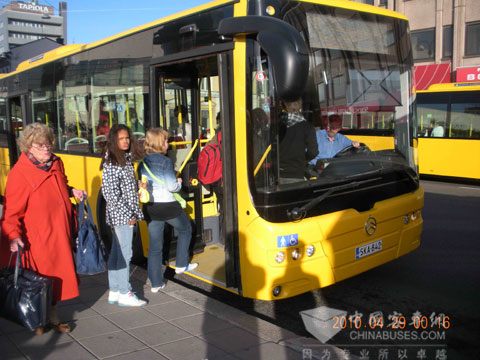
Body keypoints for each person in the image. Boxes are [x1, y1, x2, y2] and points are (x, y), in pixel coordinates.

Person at [0, 123, 86, 334]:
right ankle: (38, 319)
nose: (46, 149)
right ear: (29, 147)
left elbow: (61, 184)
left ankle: (53, 318)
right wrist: (13, 236)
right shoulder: (19, 173)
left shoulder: (56, 163)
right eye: (40, 146)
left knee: (57, 280)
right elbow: (11, 213)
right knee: (42, 281)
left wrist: (71, 190)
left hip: (60, 233)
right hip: (38, 239)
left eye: (48, 144)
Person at [137, 128, 197, 292]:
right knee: (185, 228)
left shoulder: (142, 164)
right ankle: (181, 264)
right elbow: (171, 187)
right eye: (165, 141)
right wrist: (178, 182)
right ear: (158, 144)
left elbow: (141, 184)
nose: (167, 144)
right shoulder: (165, 162)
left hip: (151, 208)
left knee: (155, 247)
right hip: (168, 206)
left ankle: (156, 284)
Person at [101, 124, 147, 307]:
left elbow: (123, 185)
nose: (126, 141)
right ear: (114, 141)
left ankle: (114, 290)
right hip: (122, 216)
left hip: (122, 214)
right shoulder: (113, 162)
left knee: (116, 253)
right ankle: (124, 292)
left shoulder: (124, 159)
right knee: (125, 254)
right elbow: (110, 193)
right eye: (121, 138)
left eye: (127, 137)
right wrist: (129, 214)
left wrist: (137, 184)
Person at [278, 98, 318, 183]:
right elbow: (313, 152)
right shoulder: (308, 127)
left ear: (284, 108)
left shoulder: (276, 126)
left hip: (276, 172)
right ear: (300, 109)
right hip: (296, 173)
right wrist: (304, 159)